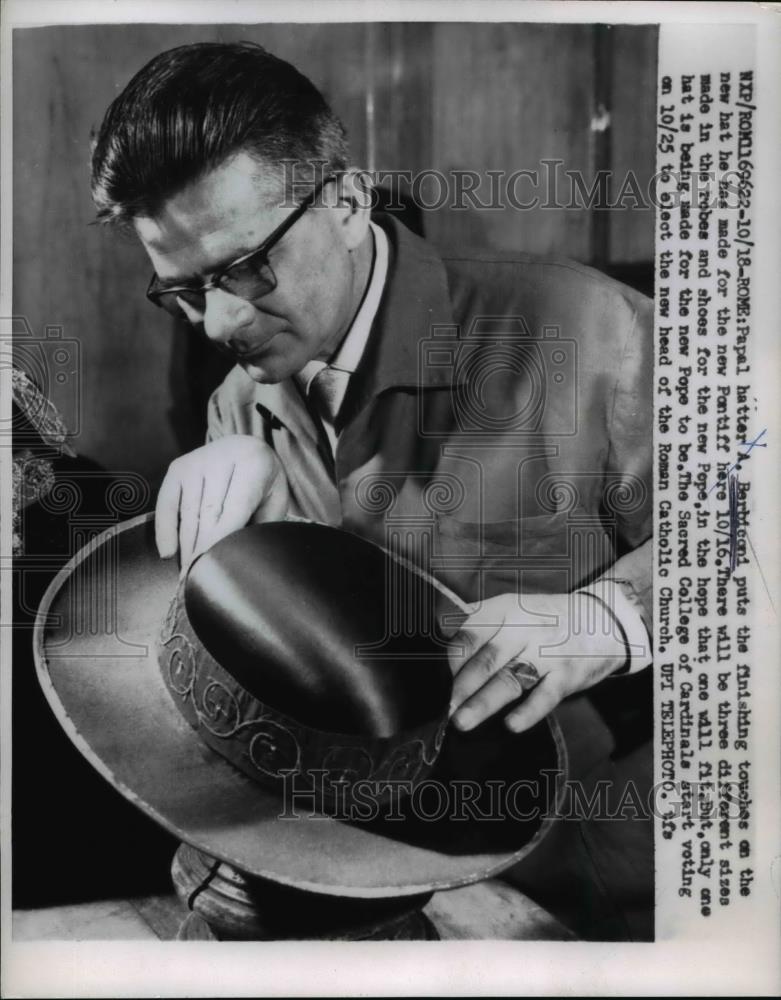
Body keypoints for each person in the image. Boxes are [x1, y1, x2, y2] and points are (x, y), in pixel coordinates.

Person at [90, 41, 654, 939]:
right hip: (374, 868)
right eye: (185, 291)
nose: (223, 321)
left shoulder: (586, 330)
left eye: (246, 268)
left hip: (600, 886)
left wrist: (613, 622)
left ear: (347, 203)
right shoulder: (240, 397)